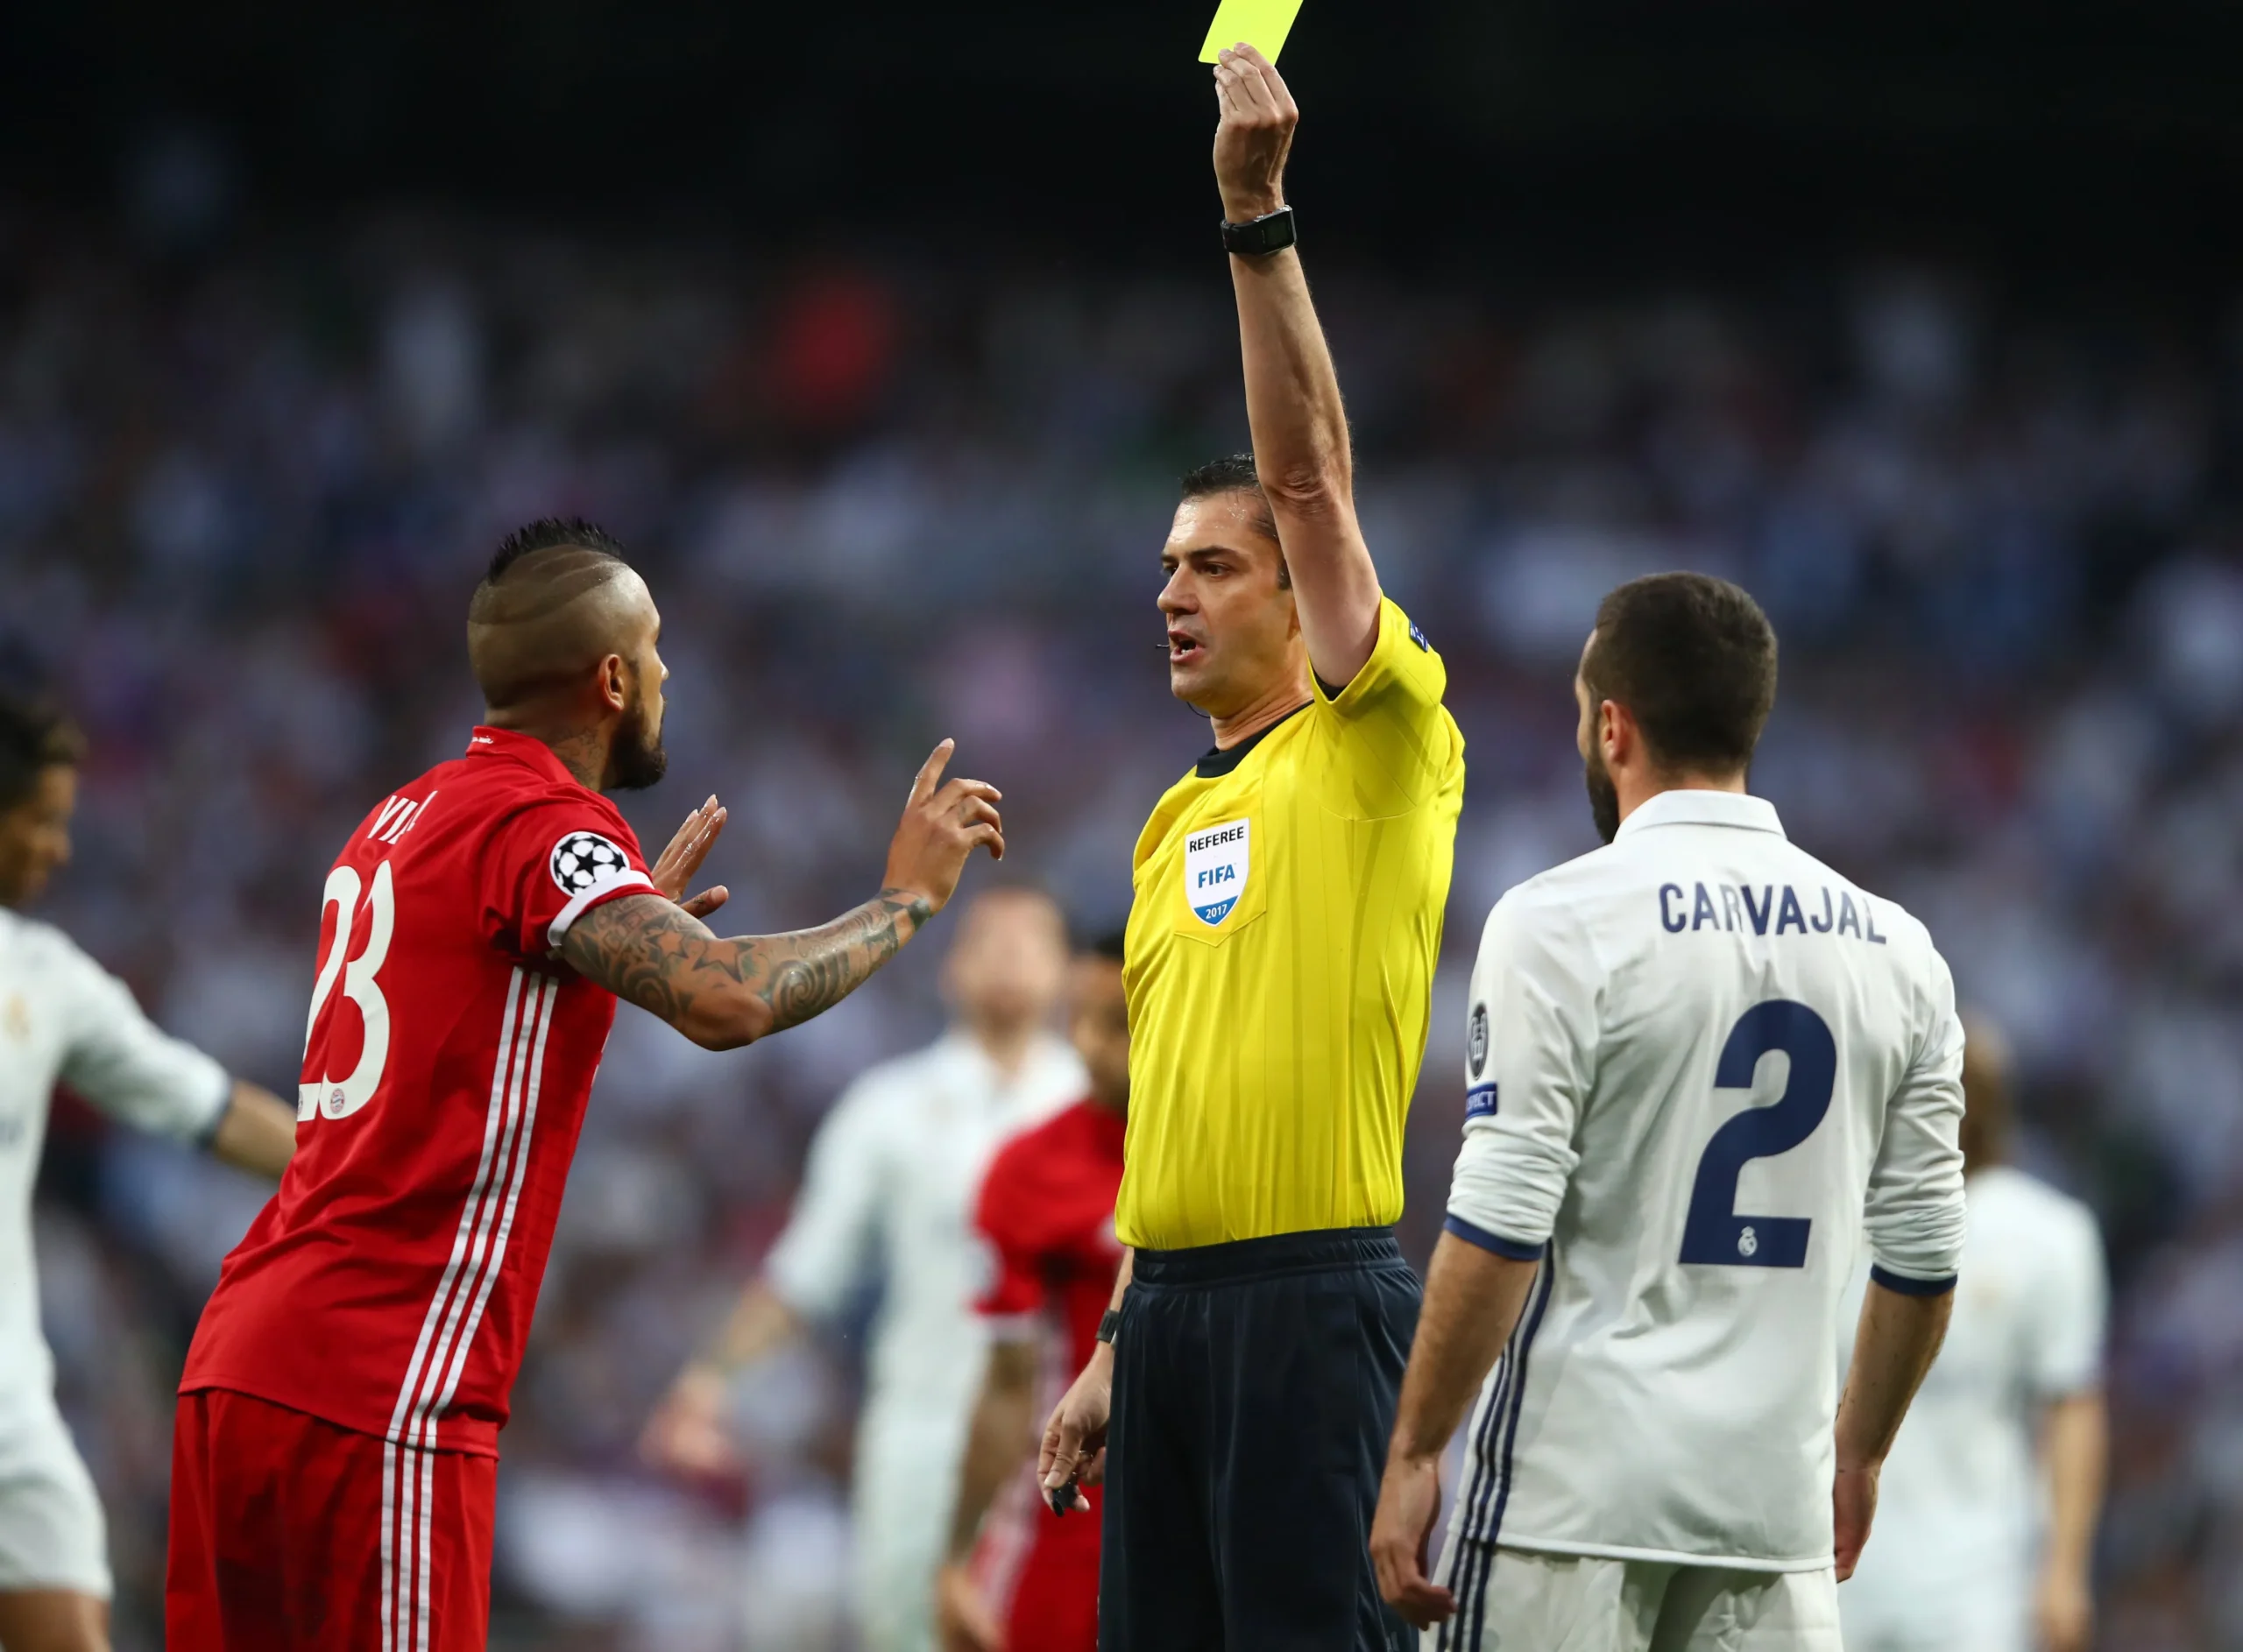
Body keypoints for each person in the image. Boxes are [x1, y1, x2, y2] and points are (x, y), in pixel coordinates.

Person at [166, 519, 1006, 1652]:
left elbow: (463, 1006)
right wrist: (903, 900)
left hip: (241, 1367)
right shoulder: (544, 825)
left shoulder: (396, 820)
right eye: (655, 650)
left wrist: (605, 932)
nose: (667, 673)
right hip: (383, 1384)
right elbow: (727, 999)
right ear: (612, 678)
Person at [1037, 46, 1466, 1652]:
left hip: (1316, 1302)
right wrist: (1118, 1341)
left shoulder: (1379, 738)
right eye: (1169, 565)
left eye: (1217, 566)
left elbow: (1309, 473)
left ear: (1303, 596)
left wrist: (1256, 222)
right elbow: (1179, 1112)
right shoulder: (1170, 817)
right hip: (1177, 1321)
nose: (1174, 591)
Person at [1370, 572, 1970, 1652]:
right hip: (1769, 1515)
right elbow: (1923, 1255)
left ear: (1612, 724)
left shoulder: (1557, 920)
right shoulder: (1899, 950)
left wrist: (1417, 1446)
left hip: (1568, 1502)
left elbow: (1503, 1218)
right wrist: (1860, 1451)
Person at [640, 882, 1081, 1652]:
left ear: (1065, 972)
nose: (1010, 958)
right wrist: (710, 1379)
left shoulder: (1107, 1111)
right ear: (954, 969)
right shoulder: (890, 1108)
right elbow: (806, 1270)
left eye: (1030, 942)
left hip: (1069, 1442)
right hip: (925, 1437)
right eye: (991, 941)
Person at [0, 693, 297, 1652]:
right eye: (42, 819)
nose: (60, 847)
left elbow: (213, 1109)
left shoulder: (45, 976)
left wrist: (394, 1177)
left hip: (12, 1419)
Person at [1837, 1014, 2107, 1652]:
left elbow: (2072, 1409)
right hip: (1839, 1560)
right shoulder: (1839, 1218)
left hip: (1978, 1572)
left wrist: (2065, 1570)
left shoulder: (2049, 1235)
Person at [934, 932, 1130, 1652]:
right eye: (1076, 1017)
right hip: (1069, 1528)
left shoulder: (1244, 1157)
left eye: (1117, 1024)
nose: (1087, 1043)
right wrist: (960, 1558)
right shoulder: (1028, 1170)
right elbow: (1009, 1384)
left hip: (1219, 1514)